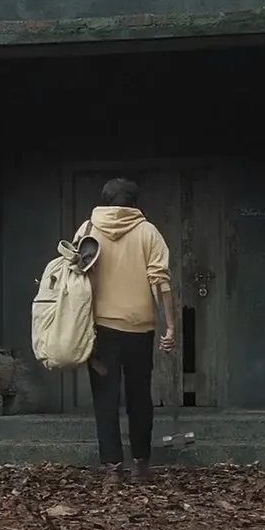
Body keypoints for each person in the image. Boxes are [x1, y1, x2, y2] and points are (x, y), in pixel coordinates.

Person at [80, 177, 175, 484]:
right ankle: (141, 464)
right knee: (139, 396)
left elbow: (75, 277)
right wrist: (170, 325)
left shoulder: (88, 230)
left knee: (105, 398)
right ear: (134, 203)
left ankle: (112, 468)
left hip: (100, 329)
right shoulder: (148, 232)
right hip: (139, 328)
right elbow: (160, 281)